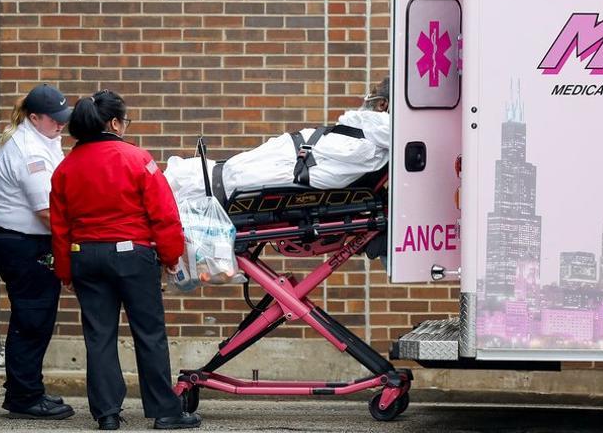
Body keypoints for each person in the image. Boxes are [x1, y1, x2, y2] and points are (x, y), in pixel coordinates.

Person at [49, 90, 202, 431]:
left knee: (99, 336)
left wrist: (64, 271)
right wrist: (171, 255)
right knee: (148, 333)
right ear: (115, 123)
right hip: (133, 255)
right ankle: (166, 412)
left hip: (84, 256)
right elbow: (164, 214)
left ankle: (106, 414)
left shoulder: (65, 168)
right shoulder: (137, 159)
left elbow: (60, 227)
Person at [0, 83, 76, 421]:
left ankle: (28, 389)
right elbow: (47, 212)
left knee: (34, 317)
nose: (61, 125)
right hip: (22, 242)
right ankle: (24, 397)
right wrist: (83, 238)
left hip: (23, 240)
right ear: (34, 117)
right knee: (32, 318)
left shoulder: (44, 139)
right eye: (55, 119)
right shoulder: (30, 151)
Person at [163, 77, 393, 202]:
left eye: (371, 94)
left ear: (382, 104)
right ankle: (178, 187)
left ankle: (176, 188)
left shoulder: (378, 126)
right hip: (293, 156)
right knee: (225, 174)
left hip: (291, 162)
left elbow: (404, 130)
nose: (365, 99)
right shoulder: (368, 128)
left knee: (227, 176)